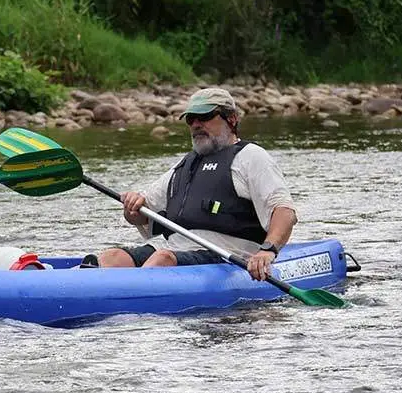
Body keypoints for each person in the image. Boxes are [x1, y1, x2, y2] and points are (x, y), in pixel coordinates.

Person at [88, 87, 297, 281]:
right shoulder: (185, 165)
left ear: (232, 119)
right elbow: (142, 214)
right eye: (191, 119)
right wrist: (133, 207)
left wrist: (268, 251)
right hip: (175, 248)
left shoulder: (251, 157)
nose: (196, 124)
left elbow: (284, 212)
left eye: (204, 117)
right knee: (112, 257)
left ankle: (127, 299)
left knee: (162, 259)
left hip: (230, 255)